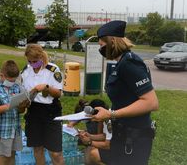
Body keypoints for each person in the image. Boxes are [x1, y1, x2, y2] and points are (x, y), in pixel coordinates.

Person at [92, 20, 159, 165]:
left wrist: (111, 114)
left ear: (112, 42)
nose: (101, 49)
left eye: (102, 45)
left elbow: (151, 102)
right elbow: (125, 98)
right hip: (123, 134)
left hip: (134, 138)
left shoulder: (129, 63)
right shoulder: (122, 62)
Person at [21, 44, 64, 165]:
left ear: (41, 57)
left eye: (35, 61)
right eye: (29, 61)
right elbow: (24, 91)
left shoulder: (52, 69)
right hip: (34, 111)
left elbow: (58, 93)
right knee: (37, 148)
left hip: (51, 111)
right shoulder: (26, 71)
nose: (32, 63)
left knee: (55, 152)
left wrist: (46, 87)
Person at [0, 60, 28, 165]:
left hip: (15, 129)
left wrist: (22, 106)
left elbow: (20, 111)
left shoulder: (16, 86)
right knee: (4, 158)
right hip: (3, 130)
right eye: (10, 81)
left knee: (12, 156)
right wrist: (10, 105)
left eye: (14, 80)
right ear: (1, 75)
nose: (12, 83)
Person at [68, 99, 111, 165]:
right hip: (101, 141)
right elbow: (104, 136)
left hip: (112, 146)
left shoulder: (106, 121)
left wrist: (90, 142)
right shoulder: (102, 117)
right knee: (88, 158)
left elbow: (106, 144)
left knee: (90, 157)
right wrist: (89, 135)